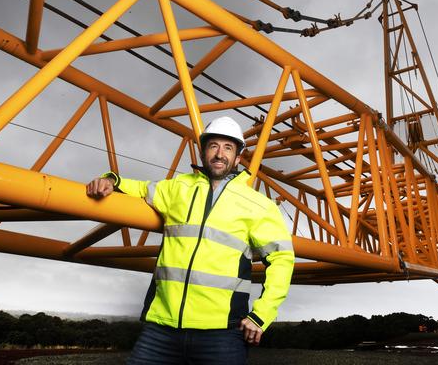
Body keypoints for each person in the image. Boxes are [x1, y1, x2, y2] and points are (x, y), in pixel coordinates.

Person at [86, 116, 294, 364]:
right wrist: (111, 179)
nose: (220, 154)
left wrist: (262, 314)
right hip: (161, 328)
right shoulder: (177, 189)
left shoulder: (259, 205)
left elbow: (282, 259)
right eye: (213, 146)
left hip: (222, 334)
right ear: (204, 151)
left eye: (228, 148)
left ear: (238, 158)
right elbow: (140, 188)